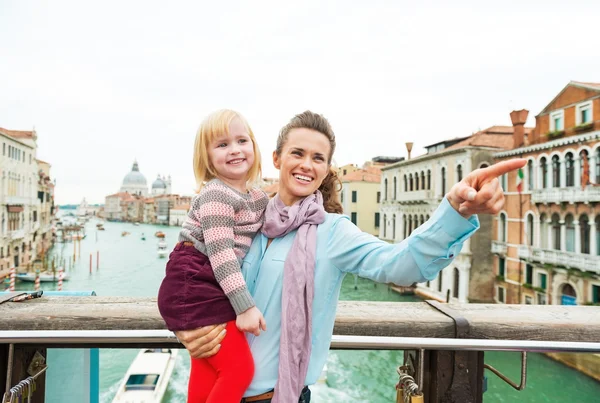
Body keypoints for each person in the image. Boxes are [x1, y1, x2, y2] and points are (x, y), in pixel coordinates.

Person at [174, 111, 527, 403]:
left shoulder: (333, 232)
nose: (306, 165)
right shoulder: (245, 216)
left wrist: (455, 212)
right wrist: (186, 328)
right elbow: (192, 278)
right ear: (277, 158)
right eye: (297, 153)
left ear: (327, 169)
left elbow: (401, 265)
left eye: (318, 158)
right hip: (215, 385)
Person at [157, 109, 269, 403]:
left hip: (204, 284)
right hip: (194, 283)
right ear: (207, 158)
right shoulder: (216, 194)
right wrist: (245, 307)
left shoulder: (256, 197)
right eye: (222, 145)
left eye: (242, 140)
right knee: (239, 370)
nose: (234, 149)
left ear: (254, 147)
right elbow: (222, 256)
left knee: (208, 372)